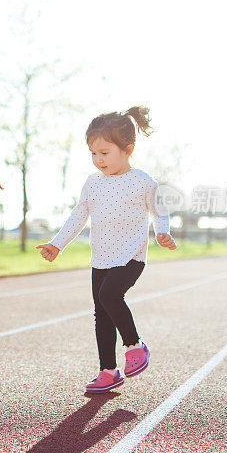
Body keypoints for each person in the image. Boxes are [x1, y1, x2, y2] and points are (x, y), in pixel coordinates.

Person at [36, 106, 177, 393]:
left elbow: (159, 212)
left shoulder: (143, 182)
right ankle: (108, 371)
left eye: (105, 152)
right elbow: (78, 216)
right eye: (93, 154)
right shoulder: (92, 183)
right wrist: (56, 244)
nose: (98, 160)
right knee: (101, 313)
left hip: (130, 256)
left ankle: (135, 345)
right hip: (100, 257)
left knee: (109, 295)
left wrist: (162, 232)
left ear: (128, 149)